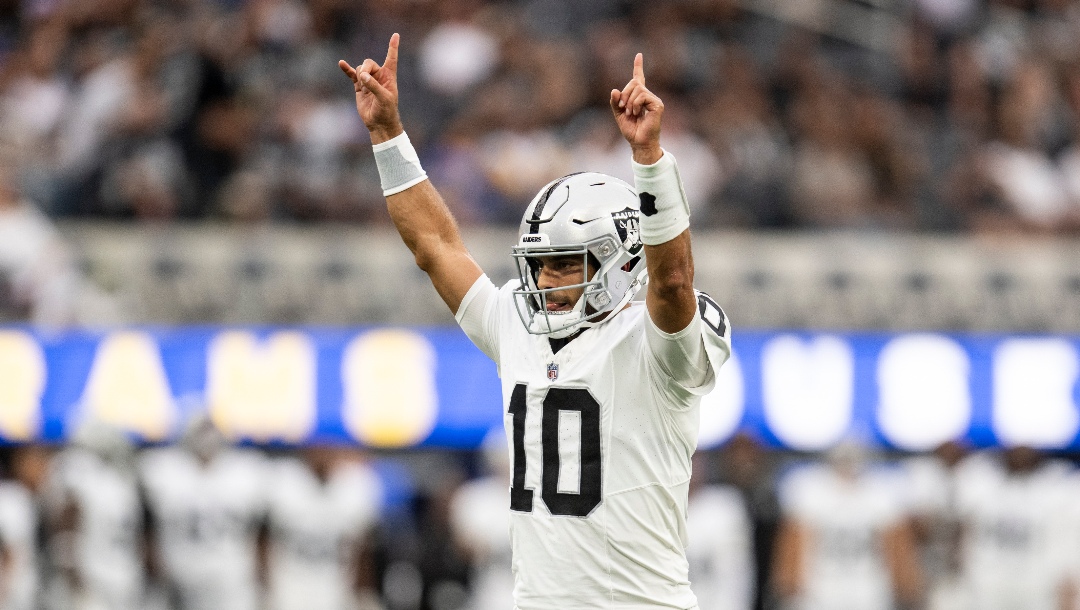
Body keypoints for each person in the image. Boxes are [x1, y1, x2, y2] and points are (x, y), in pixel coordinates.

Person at [340, 33, 731, 609]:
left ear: (623, 259)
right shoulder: (517, 325)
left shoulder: (654, 345)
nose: (548, 282)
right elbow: (435, 247)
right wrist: (386, 134)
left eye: (567, 263)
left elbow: (671, 283)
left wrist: (650, 160)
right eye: (542, 265)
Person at [138, 414, 269, 610]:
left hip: (231, 580)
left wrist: (262, 576)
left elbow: (261, 532)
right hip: (179, 578)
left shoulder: (247, 472)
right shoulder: (163, 469)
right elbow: (147, 528)